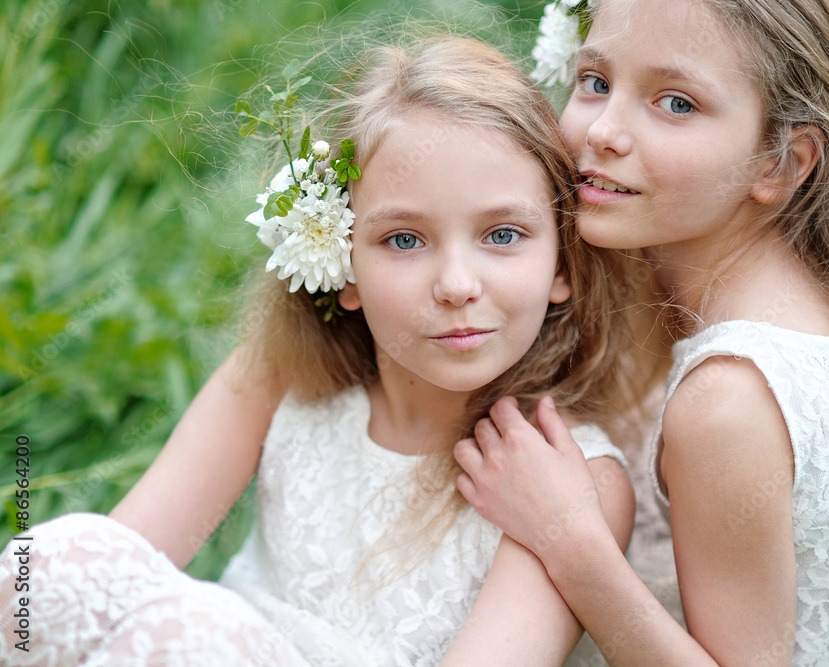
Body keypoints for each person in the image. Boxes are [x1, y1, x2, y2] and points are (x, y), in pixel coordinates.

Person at [0, 35, 642, 666]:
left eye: (502, 234)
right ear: (342, 262)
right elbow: (125, 561)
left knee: (196, 632)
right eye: (404, 240)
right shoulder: (279, 375)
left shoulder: (567, 481)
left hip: (200, 643)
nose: (456, 285)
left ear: (562, 260)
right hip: (203, 644)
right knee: (65, 559)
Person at [454, 0, 829, 664]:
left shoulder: (729, 403)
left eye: (676, 104)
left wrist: (567, 538)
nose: (603, 131)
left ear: (780, 162)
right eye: (595, 82)